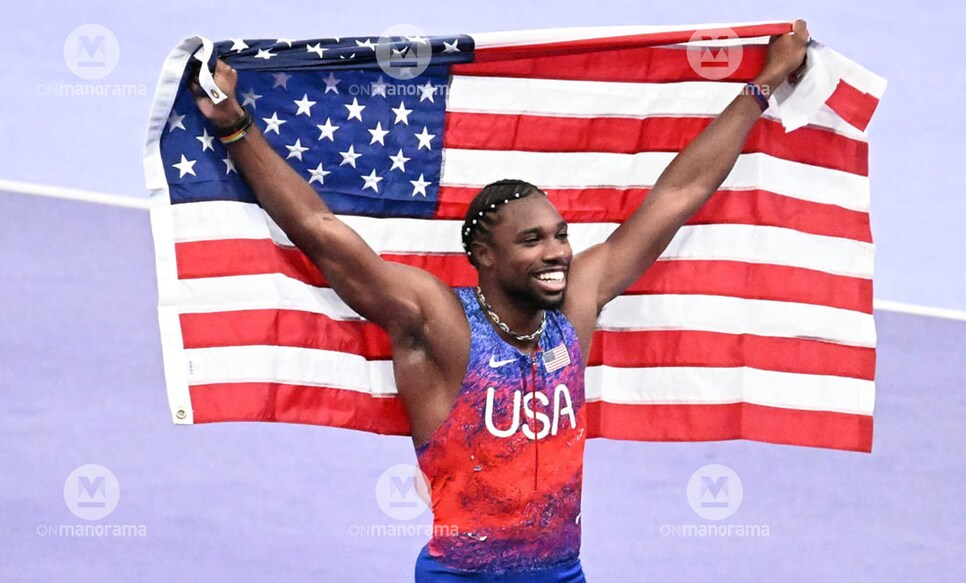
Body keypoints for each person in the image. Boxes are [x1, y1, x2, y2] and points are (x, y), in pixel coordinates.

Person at [191, 19, 810, 582]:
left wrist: (764, 84)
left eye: (560, 235)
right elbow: (321, 232)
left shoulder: (575, 309)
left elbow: (679, 193)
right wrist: (233, 126)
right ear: (484, 256)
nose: (558, 253)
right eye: (532, 241)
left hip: (562, 574)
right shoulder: (438, 324)